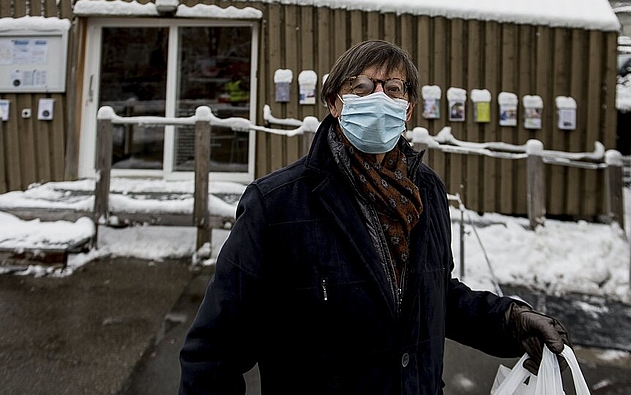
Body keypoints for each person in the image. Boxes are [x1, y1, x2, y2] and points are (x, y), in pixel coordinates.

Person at [179, 40, 571, 394]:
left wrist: (510, 320)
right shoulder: (277, 204)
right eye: (361, 88)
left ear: (408, 109)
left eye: (393, 89)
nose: (378, 98)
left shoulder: (427, 191)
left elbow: (432, 296)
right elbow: (215, 351)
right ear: (335, 103)